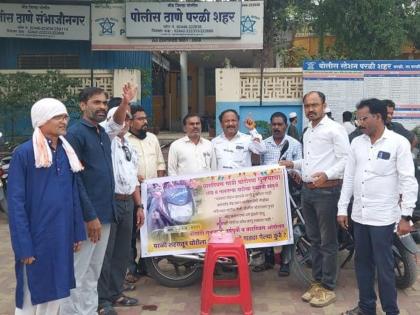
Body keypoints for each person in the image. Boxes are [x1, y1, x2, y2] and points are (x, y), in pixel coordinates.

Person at [60, 83, 136, 315]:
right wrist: (89, 215)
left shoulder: (101, 132)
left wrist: (124, 102)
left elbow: (117, 122)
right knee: (78, 272)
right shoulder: (75, 134)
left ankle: (89, 310)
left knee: (93, 271)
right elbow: (75, 179)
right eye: (96, 102)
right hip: (87, 216)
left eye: (104, 102)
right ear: (83, 105)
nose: (102, 107)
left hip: (105, 212)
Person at [337, 99, 418, 315]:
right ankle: (366, 307)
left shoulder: (398, 143)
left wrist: (406, 216)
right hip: (360, 216)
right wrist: (342, 208)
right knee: (362, 264)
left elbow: (408, 181)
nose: (360, 122)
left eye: (364, 118)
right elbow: (349, 177)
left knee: (384, 268)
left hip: (383, 218)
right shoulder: (357, 143)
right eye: (358, 118)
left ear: (379, 117)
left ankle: (391, 311)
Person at [8, 98, 85, 315]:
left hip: (61, 237)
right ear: (41, 121)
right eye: (58, 117)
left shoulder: (65, 152)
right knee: (32, 296)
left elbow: (73, 195)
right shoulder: (23, 154)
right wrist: (24, 246)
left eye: (65, 117)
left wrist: (76, 232)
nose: (64, 121)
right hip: (36, 239)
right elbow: (15, 204)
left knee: (57, 293)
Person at [280, 91, 350, 307]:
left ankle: (328, 286)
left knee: (328, 241)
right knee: (315, 239)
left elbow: (346, 159)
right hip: (308, 191)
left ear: (324, 105)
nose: (310, 109)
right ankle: (318, 282)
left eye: (315, 105)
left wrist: (327, 175)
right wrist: (294, 165)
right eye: (307, 105)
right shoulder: (308, 130)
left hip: (327, 192)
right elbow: (312, 160)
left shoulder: (335, 129)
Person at [97, 104, 145, 314]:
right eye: (121, 119)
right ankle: (102, 299)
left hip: (128, 202)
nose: (124, 122)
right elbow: (111, 125)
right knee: (105, 254)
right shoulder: (106, 141)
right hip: (110, 202)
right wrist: (124, 103)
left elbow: (133, 178)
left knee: (122, 251)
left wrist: (139, 205)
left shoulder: (129, 146)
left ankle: (116, 292)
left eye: (128, 119)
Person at [126, 105, 166, 282]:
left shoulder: (152, 138)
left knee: (150, 231)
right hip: (131, 193)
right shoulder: (124, 140)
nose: (145, 122)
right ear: (130, 121)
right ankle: (131, 268)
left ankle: (146, 265)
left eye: (145, 118)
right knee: (131, 232)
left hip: (151, 194)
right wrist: (135, 176)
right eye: (140, 119)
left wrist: (158, 187)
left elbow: (160, 163)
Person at [261, 112, 302, 276]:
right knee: (267, 225)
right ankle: (268, 259)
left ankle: (286, 261)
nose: (276, 127)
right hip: (267, 193)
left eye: (280, 124)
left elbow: (300, 167)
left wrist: (290, 169)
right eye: (274, 124)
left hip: (288, 193)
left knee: (288, 227)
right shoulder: (263, 145)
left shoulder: (294, 144)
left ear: (286, 125)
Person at [349, 99, 416, 147]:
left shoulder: (397, 127)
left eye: (391, 113)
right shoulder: (367, 127)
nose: (389, 116)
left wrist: (406, 153)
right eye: (387, 113)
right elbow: (349, 140)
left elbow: (414, 139)